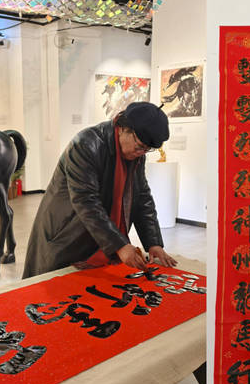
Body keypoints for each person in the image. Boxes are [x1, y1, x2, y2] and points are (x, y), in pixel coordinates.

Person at [22, 101, 177, 279]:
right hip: (66, 234)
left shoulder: (135, 154)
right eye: (140, 146)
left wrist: (153, 243)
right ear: (124, 128)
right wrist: (119, 245)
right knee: (54, 290)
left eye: (147, 150)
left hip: (97, 238)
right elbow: (86, 201)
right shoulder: (86, 145)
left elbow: (141, 197)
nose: (141, 152)